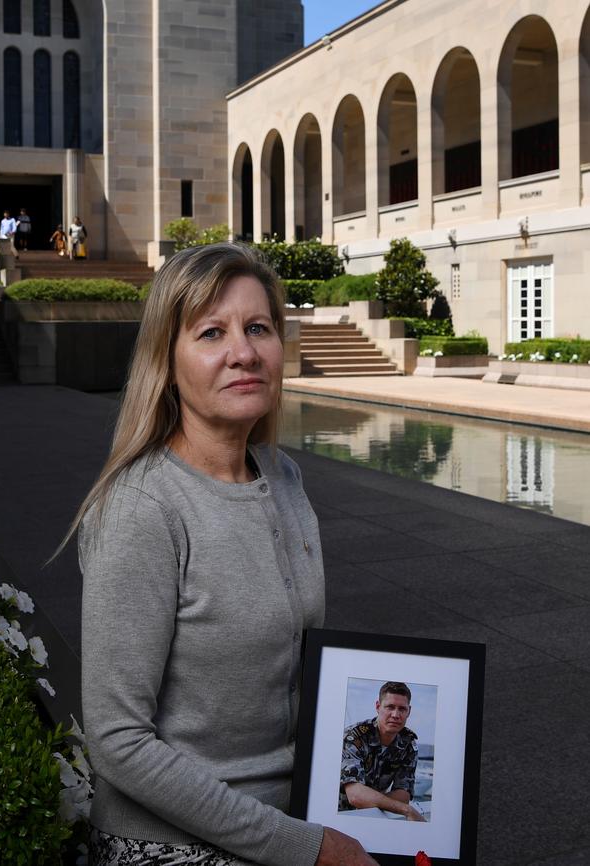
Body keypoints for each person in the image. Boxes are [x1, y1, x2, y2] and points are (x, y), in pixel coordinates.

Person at [71, 244, 378, 866]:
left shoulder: (282, 476)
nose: (244, 352)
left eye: (258, 328)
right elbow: (117, 741)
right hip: (169, 842)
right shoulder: (142, 508)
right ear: (168, 360)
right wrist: (308, 848)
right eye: (212, 332)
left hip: (288, 815)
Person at [339, 682, 425, 821]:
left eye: (402, 709)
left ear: (409, 711)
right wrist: (406, 810)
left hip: (375, 816)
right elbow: (355, 796)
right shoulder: (354, 737)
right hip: (340, 815)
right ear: (378, 707)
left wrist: (369, 799)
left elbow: (403, 795)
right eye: (390, 707)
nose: (396, 714)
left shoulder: (408, 744)